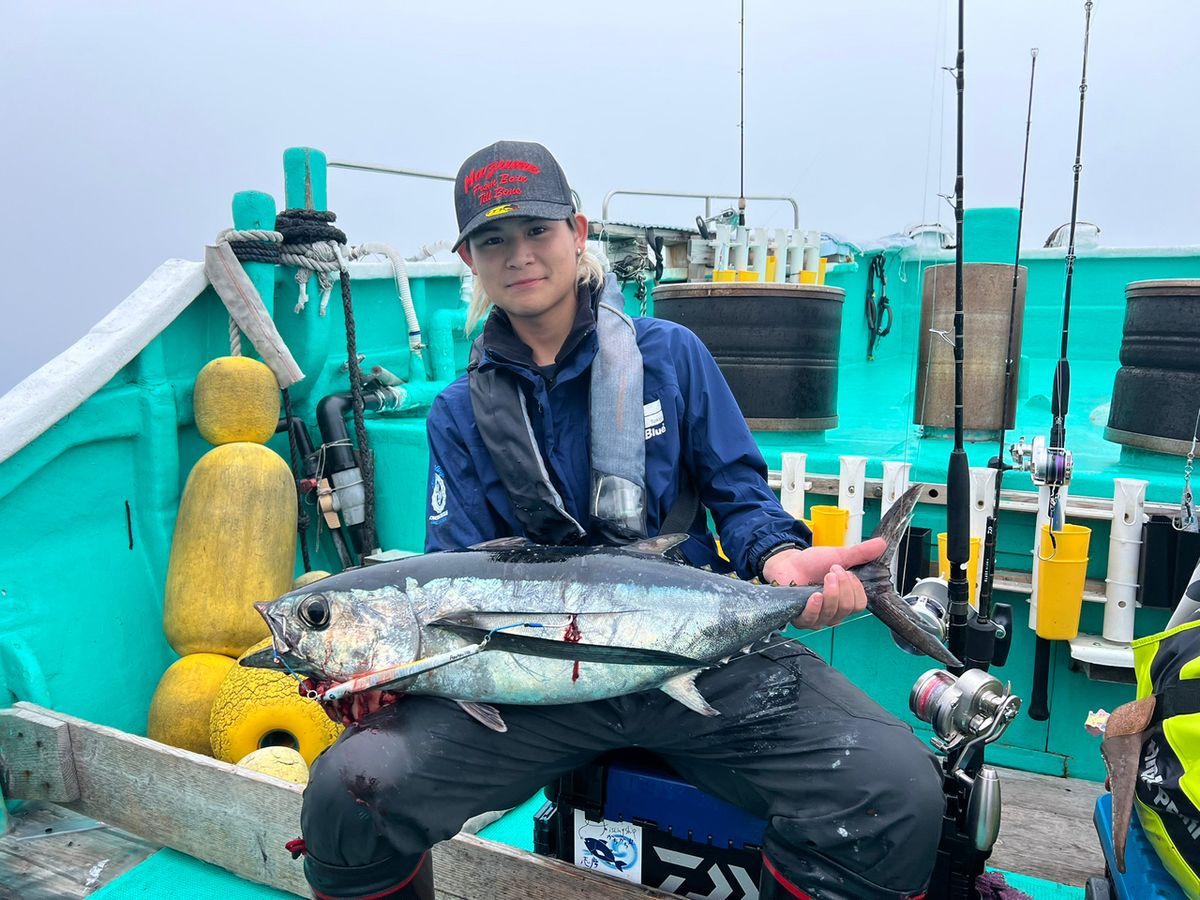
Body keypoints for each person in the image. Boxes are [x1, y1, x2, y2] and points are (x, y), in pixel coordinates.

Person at [298, 141, 944, 900]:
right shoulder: (457, 412)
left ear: (577, 232)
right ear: (469, 258)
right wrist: (389, 672)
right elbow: (457, 578)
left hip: (698, 652)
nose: (520, 256)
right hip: (528, 684)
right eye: (493, 240)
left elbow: (741, 498)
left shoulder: (672, 355)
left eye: (537, 231)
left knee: (895, 789)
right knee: (347, 797)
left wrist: (776, 563)